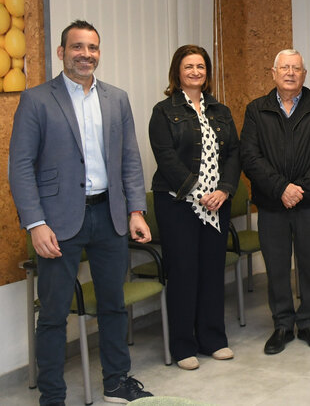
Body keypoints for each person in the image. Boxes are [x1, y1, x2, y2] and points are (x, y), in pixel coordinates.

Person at [9, 20, 154, 404]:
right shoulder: (37, 100)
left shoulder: (116, 98)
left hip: (109, 216)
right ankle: (52, 396)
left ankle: (117, 383)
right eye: (77, 47)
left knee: (112, 305)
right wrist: (35, 224)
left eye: (92, 48)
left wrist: (136, 210)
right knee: (55, 314)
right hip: (58, 223)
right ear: (62, 53)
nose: (85, 55)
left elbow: (130, 160)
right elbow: (20, 167)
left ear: (99, 53)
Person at [241, 49, 310, 355]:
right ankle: (283, 323)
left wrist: (301, 189)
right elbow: (249, 156)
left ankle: (308, 322)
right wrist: (281, 188)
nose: (290, 73)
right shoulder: (256, 110)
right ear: (273, 73)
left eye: (296, 68)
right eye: (284, 67)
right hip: (272, 205)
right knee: (277, 266)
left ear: (304, 74)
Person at [148, 45, 240, 370]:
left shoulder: (221, 111)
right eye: (189, 66)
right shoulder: (163, 111)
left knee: (212, 271)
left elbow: (233, 155)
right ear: (177, 71)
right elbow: (166, 157)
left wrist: (225, 190)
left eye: (200, 66)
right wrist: (197, 190)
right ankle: (183, 346)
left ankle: (213, 339)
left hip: (217, 203)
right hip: (177, 203)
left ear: (207, 72)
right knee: (184, 273)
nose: (195, 72)